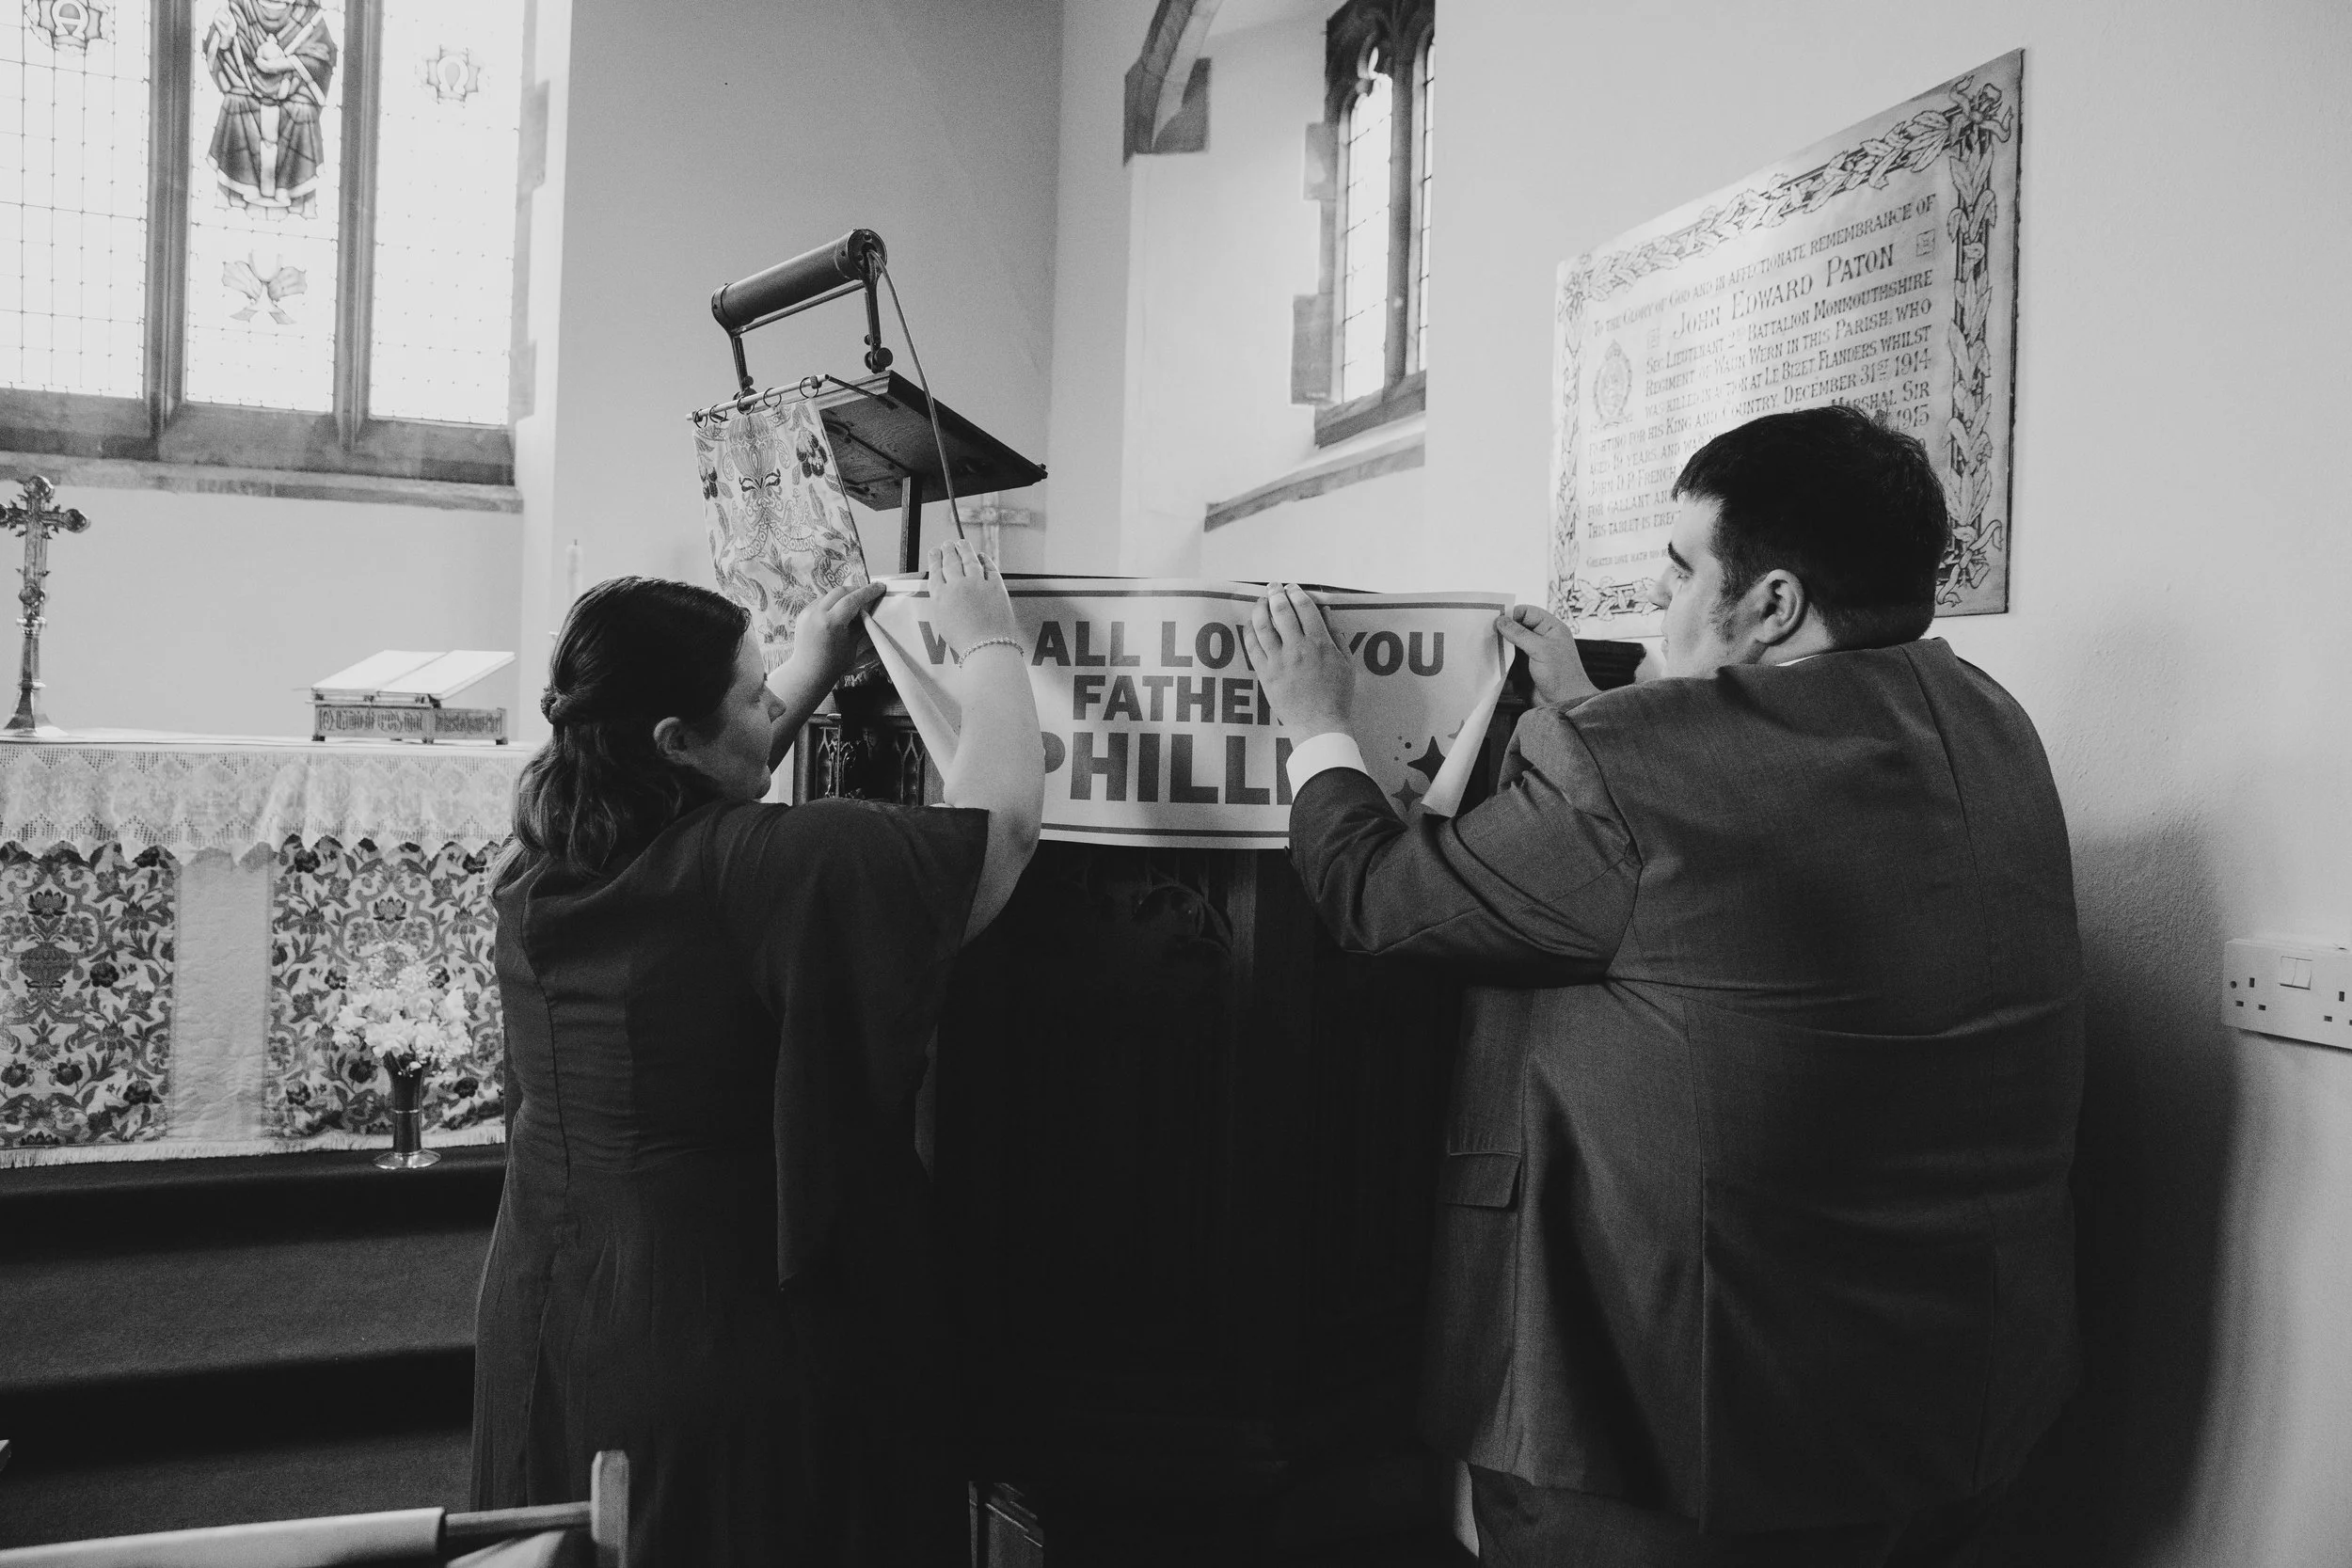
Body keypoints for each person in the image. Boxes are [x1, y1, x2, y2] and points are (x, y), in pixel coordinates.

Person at [1246, 405, 2082, 1567]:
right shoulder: (1989, 720)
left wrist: (1313, 722)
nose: (1657, 612)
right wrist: (1586, 708)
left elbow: (1379, 900)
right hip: (1946, 1414)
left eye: (1681, 574)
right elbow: (1735, 871)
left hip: (1681, 1441)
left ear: (1772, 603)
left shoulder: (1630, 766)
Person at [470, 542, 1041, 1565]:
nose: (772, 706)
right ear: (677, 737)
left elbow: (706, 767)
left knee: (573, 1538)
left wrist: (811, 659)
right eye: (753, 690)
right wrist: (991, 644)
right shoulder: (756, 863)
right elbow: (998, 838)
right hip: (704, 1316)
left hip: (551, 1294)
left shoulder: (553, 831)